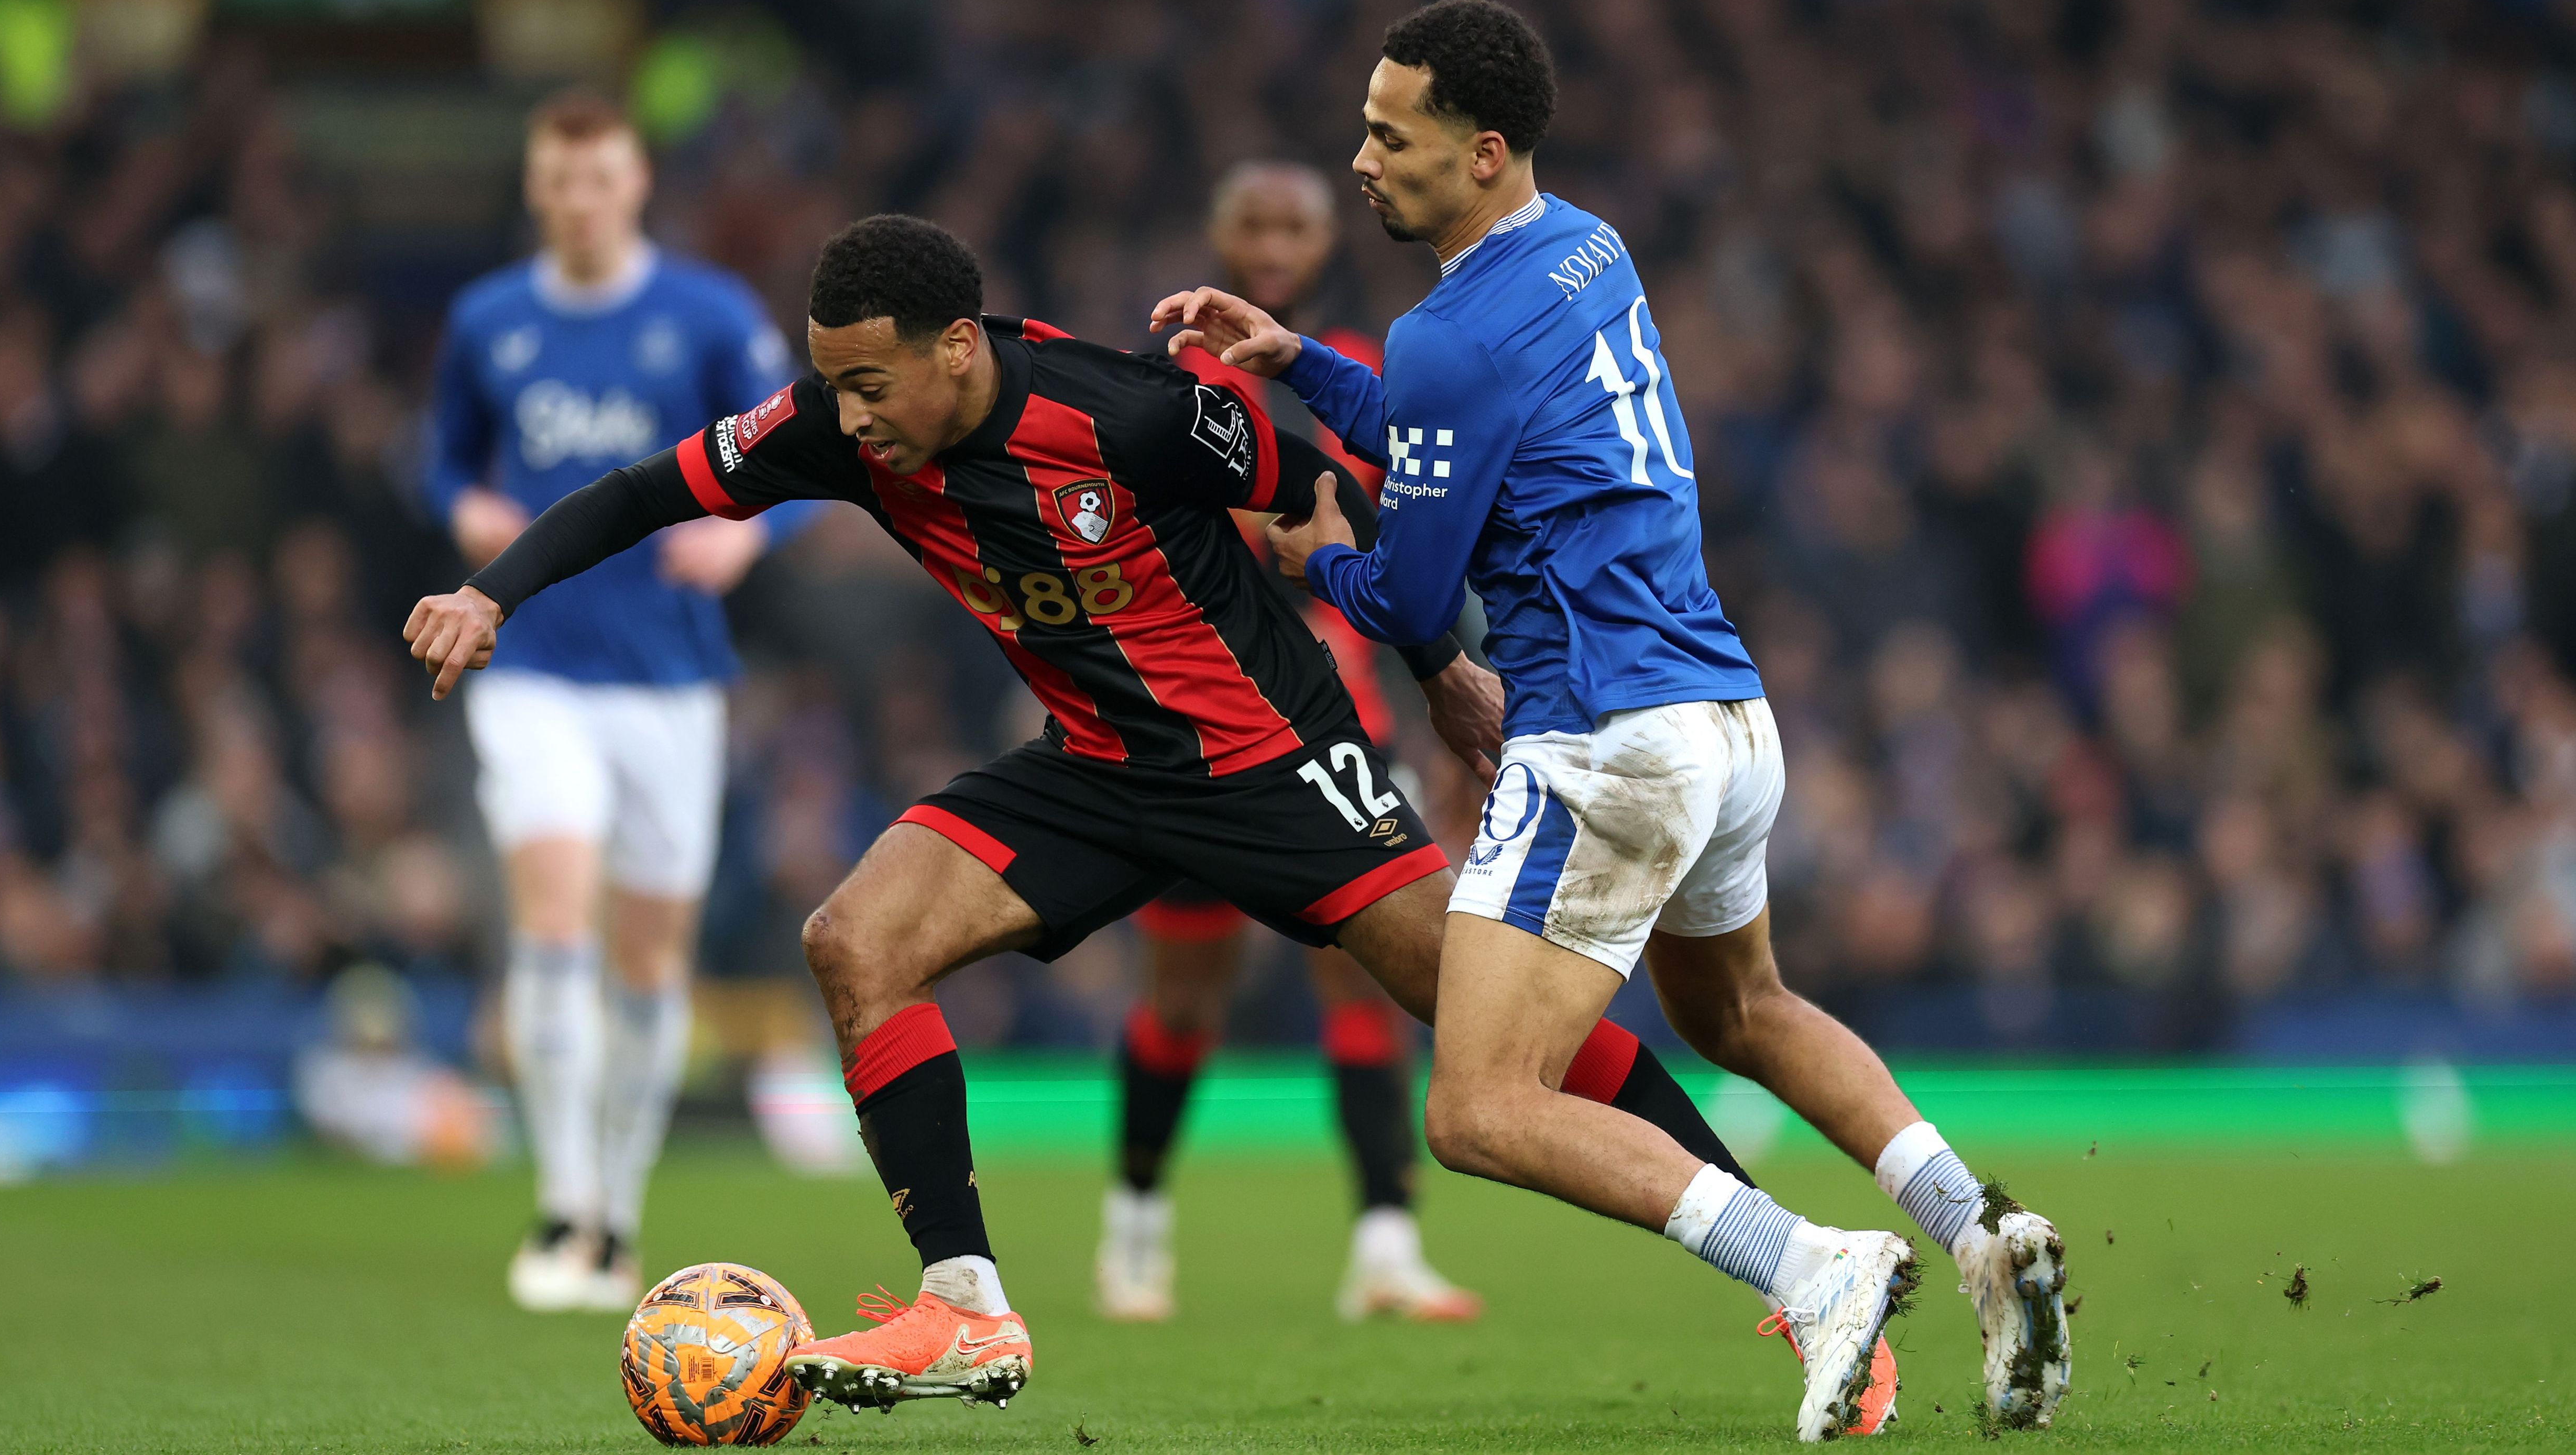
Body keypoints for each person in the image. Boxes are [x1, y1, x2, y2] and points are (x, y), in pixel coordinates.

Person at [405, 214, 1780, 1415]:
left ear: (957, 347)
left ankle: (1781, 1255)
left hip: (1269, 757)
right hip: (1097, 768)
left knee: (1495, 1031)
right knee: (855, 940)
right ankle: (965, 1303)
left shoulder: (1126, 411)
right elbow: (649, 489)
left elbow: (1310, 482)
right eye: (831, 384)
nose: (847, 414)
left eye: (868, 382)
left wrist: (1439, 673)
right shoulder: (839, 424)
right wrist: (492, 593)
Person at [1156, 0, 2073, 1441]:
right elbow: (1457, 416)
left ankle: (1812, 1261)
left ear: (1483, 152)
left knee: (1475, 1106)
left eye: (1391, 135)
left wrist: (1306, 557)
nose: (1360, 159)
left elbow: (1405, 594)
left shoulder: (1443, 327)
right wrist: (1299, 361)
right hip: (1723, 713)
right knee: (1740, 1008)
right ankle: (1977, 1228)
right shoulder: (1588, 242)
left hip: (1599, 738)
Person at [422, 88, 819, 1313]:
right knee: (553, 915)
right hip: (534, 665)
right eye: (557, 181)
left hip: (670, 675)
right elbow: (443, 450)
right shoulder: (487, 319)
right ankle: (564, 1205)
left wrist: (746, 542)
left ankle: (619, 1208)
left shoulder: (706, 313)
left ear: (635, 184)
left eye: (598, 179)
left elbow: (806, 451)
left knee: (650, 958)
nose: (577, 201)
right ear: (536, 189)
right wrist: (465, 510)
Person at [1096, 159, 1476, 1326]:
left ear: (1326, 241)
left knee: (1368, 976)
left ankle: (1383, 1242)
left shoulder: (1360, 372)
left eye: (1293, 226)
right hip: (1204, 717)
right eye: (1249, 224)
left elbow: (1410, 543)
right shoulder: (1162, 379)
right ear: (1215, 234)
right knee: (1187, 994)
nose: (1270, 245)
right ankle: (1137, 1217)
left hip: (1342, 721)